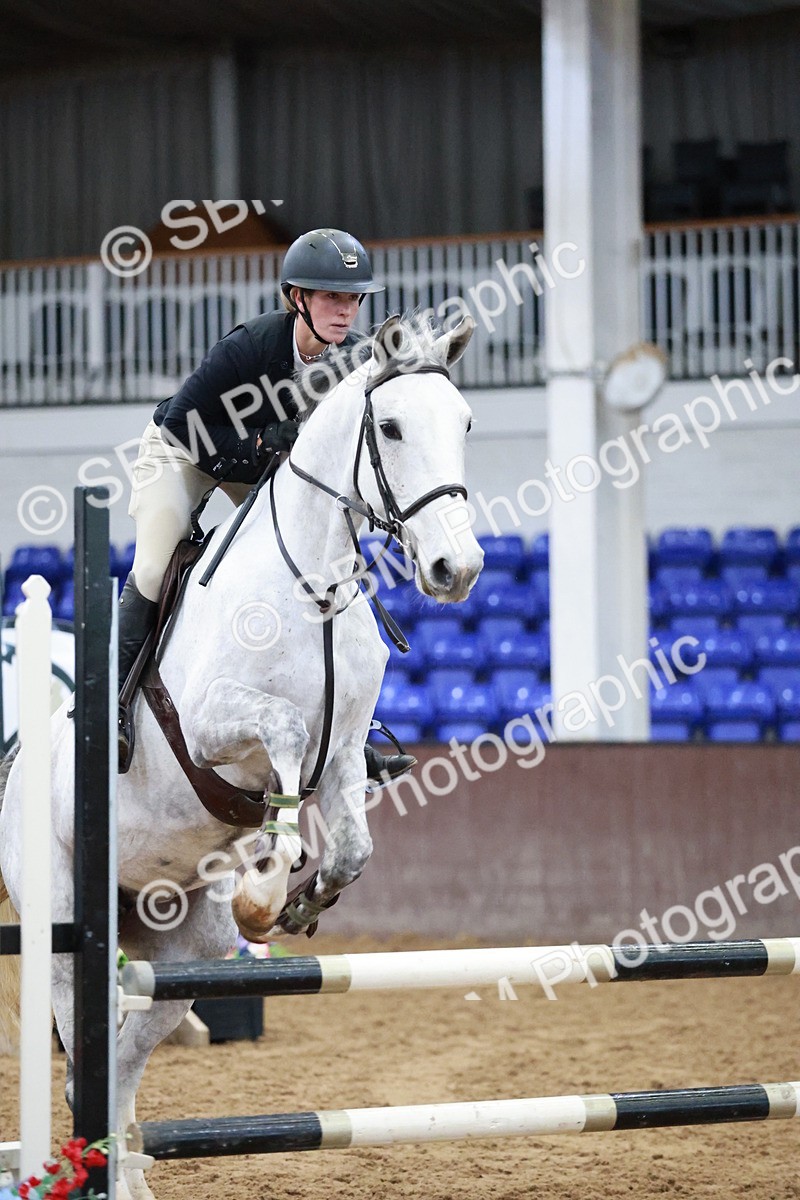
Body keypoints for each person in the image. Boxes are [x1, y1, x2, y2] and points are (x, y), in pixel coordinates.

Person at [118, 227, 415, 783]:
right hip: (182, 452)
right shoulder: (251, 344)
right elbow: (184, 421)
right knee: (155, 567)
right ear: (296, 297)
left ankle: (349, 734)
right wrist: (254, 446)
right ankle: (109, 704)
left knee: (324, 569)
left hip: (257, 466)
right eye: (332, 297)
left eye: (353, 298)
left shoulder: (350, 364)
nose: (345, 310)